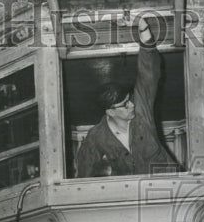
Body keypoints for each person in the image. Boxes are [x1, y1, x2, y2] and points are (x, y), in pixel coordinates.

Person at [76, 15, 178, 178]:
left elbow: (148, 75)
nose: (132, 105)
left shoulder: (141, 113)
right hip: (130, 193)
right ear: (110, 112)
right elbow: (84, 175)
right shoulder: (96, 138)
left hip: (169, 183)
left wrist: (143, 29)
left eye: (129, 100)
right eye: (124, 105)